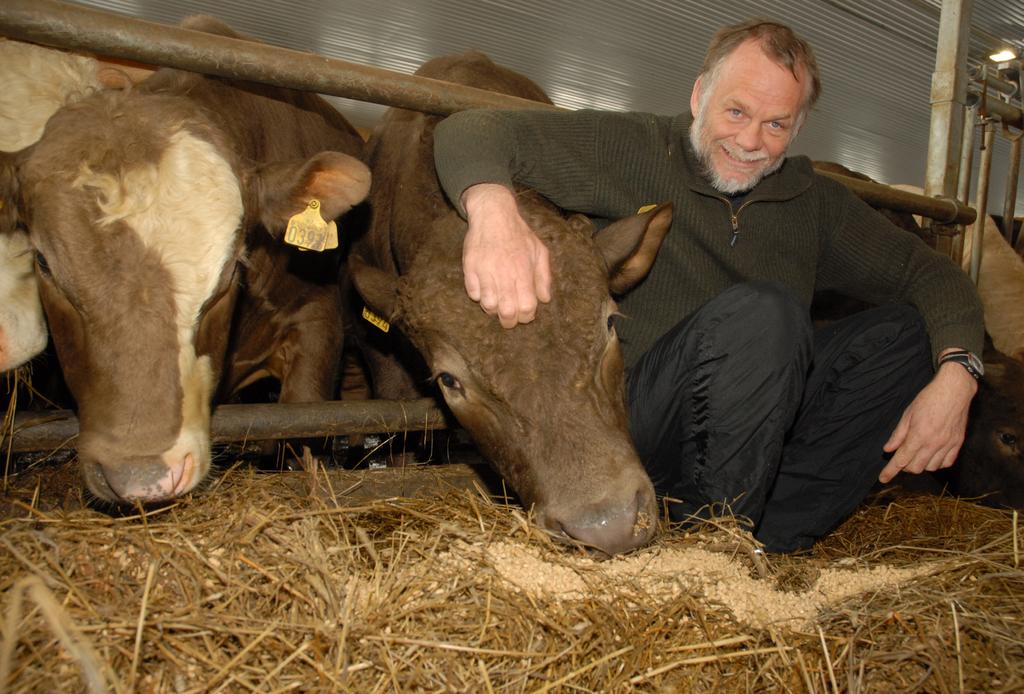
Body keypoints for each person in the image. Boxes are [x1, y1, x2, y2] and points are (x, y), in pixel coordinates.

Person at [431, 19, 985, 552]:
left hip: (752, 428)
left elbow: (933, 274)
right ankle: (713, 546)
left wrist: (960, 373)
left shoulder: (815, 205)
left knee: (908, 336)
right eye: (736, 110)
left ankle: (764, 539)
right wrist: (494, 217)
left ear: (798, 129)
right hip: (639, 414)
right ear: (700, 96)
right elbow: (470, 130)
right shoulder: (633, 148)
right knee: (766, 315)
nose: (750, 141)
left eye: (776, 124)